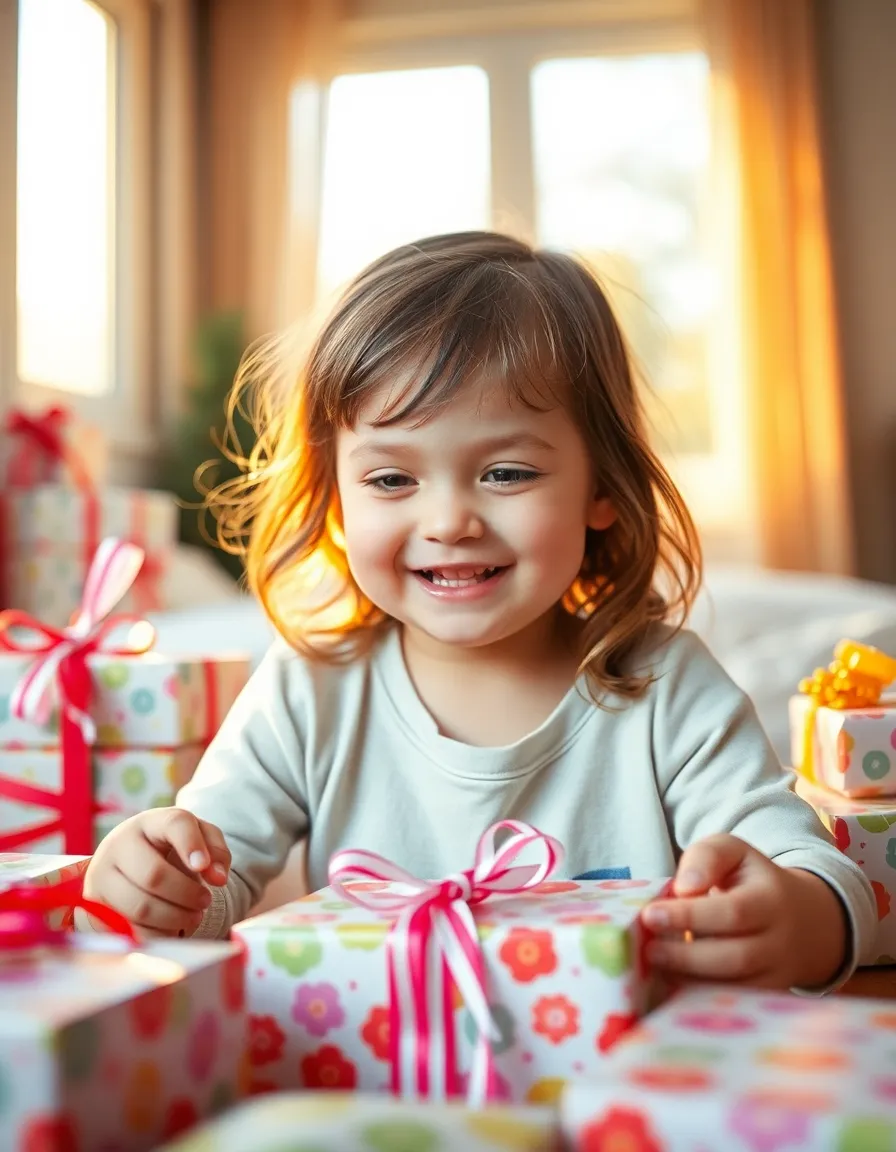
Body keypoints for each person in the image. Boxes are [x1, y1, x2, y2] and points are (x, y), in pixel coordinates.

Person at [83, 231, 875, 990]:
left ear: (601, 486)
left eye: (504, 472)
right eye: (392, 480)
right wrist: (154, 882)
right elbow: (209, 885)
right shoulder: (307, 689)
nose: (448, 522)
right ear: (335, 500)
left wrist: (799, 918)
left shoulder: (666, 688)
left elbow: (817, 873)